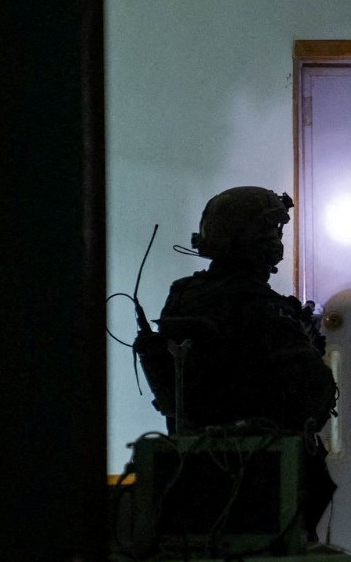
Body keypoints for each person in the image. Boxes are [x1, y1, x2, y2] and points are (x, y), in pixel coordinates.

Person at [136, 185, 338, 534]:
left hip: (193, 481)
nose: (277, 241)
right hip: (261, 480)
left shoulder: (182, 296)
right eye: (272, 231)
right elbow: (313, 395)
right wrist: (310, 345)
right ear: (255, 240)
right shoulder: (261, 306)